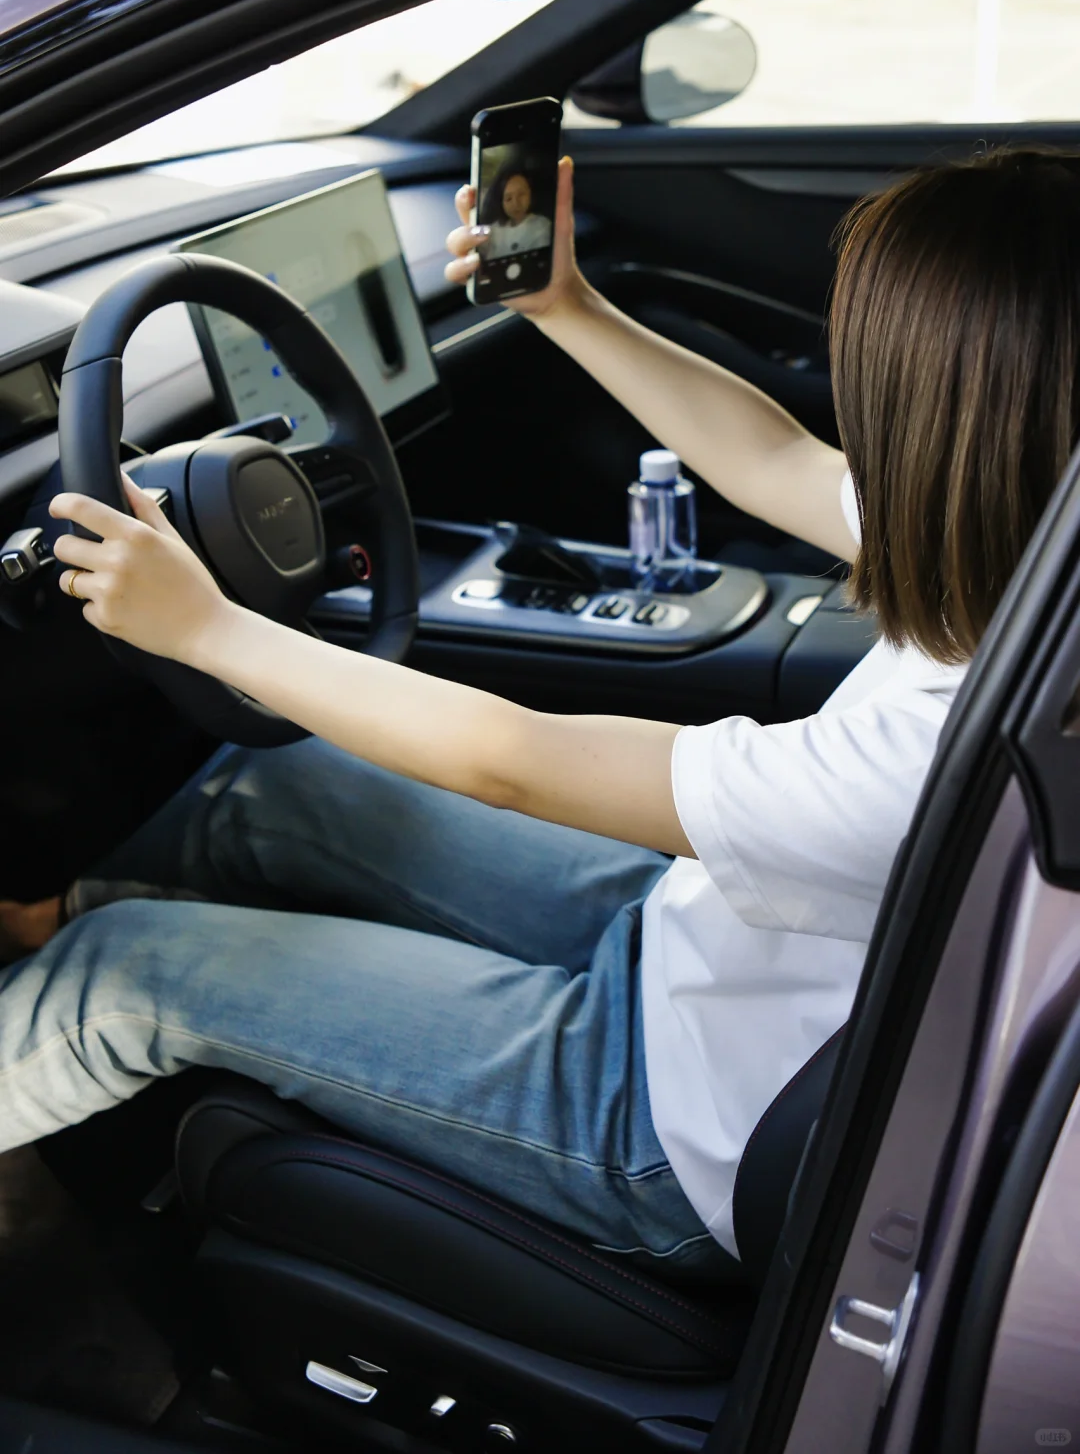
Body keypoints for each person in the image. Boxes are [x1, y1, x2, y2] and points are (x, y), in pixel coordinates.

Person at [0, 146, 1074, 1275]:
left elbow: (513, 757)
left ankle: (68, 971)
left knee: (131, 974)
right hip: (704, 951)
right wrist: (568, 307)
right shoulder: (1035, 548)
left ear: (949, 429)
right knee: (276, 784)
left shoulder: (941, 760)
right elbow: (774, 457)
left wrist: (207, 629)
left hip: (668, 1124)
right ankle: (41, 921)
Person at [479, 164, 554, 258]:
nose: (516, 203)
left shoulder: (541, 226)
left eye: (521, 194)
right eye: (508, 199)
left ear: (531, 194)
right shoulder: (494, 230)